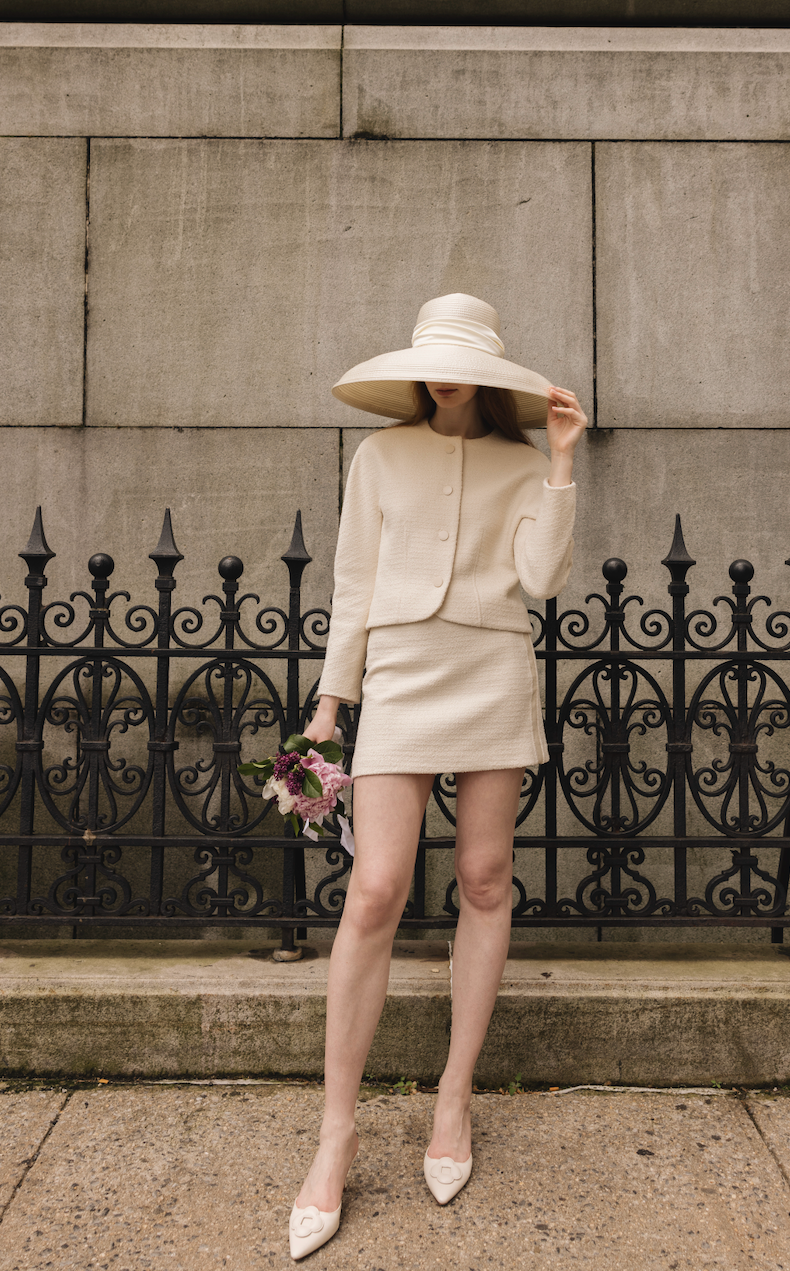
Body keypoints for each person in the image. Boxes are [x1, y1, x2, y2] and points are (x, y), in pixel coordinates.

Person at [288, 293, 587, 1260]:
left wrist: (564, 465)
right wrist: (333, 702)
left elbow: (540, 579)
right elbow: (353, 582)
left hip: (493, 670)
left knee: (483, 880)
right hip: (403, 675)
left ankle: (452, 1099)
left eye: (464, 362)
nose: (447, 374)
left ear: (491, 375)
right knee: (374, 888)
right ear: (416, 366)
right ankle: (338, 1131)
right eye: (435, 359)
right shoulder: (380, 457)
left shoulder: (520, 460)